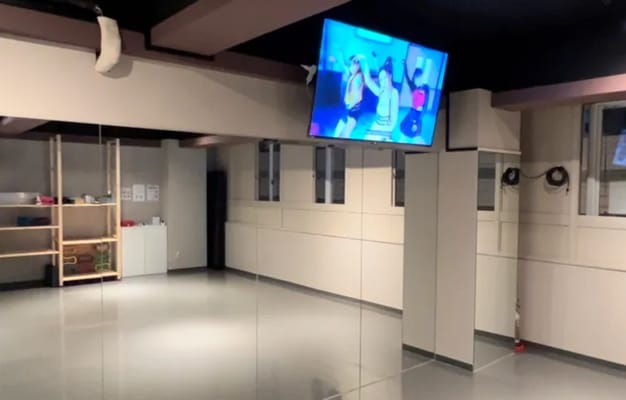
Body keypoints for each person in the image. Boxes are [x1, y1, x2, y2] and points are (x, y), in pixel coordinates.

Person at [361, 56, 399, 135]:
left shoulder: (394, 93)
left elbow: (394, 120)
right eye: (381, 79)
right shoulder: (381, 92)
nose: (383, 82)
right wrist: (363, 61)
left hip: (385, 131)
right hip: (376, 126)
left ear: (390, 76)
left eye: (384, 78)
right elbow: (368, 80)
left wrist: (384, 134)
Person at [333, 55, 364, 138]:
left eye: (354, 64)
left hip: (352, 111)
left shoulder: (358, 77)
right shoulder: (353, 75)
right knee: (337, 135)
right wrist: (339, 58)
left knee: (343, 136)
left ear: (359, 66)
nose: (351, 67)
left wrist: (349, 107)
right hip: (348, 110)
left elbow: (359, 97)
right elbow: (345, 67)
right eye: (351, 64)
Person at [400, 60, 430, 137]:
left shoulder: (425, 88)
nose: (418, 78)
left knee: (412, 130)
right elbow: (406, 76)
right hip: (413, 111)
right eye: (417, 76)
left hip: (418, 113)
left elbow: (425, 105)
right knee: (404, 127)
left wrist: (420, 117)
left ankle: (414, 129)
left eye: (420, 76)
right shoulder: (413, 86)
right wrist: (404, 65)